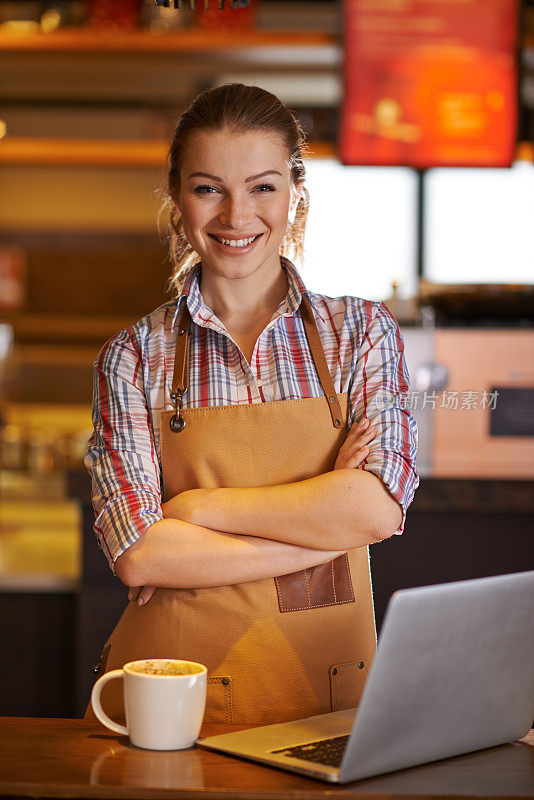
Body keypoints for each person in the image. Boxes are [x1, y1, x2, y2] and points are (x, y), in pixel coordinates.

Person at [84, 82, 419, 726]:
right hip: (171, 708)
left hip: (328, 704)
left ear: (295, 196)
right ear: (177, 200)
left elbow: (376, 507)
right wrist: (325, 535)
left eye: (262, 187)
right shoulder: (131, 358)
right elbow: (142, 556)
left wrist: (200, 511)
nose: (237, 216)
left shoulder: (362, 334)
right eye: (209, 188)